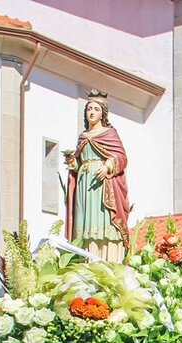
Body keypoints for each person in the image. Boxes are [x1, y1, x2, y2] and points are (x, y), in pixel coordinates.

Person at [64, 90, 130, 261]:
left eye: (96, 109)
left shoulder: (109, 134)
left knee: (103, 222)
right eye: (89, 109)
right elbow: (80, 162)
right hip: (84, 184)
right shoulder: (82, 137)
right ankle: (85, 258)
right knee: (83, 223)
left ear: (103, 113)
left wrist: (108, 166)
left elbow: (121, 157)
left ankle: (105, 258)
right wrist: (74, 163)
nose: (91, 112)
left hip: (102, 186)